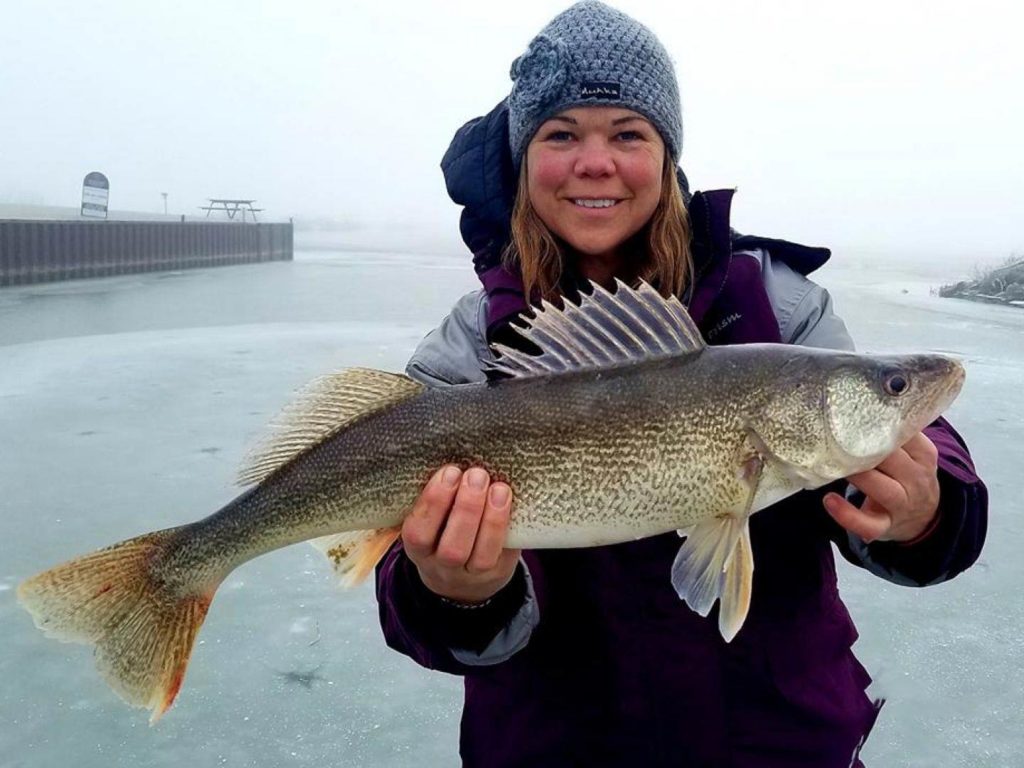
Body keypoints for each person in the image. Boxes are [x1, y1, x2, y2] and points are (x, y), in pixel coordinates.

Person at [375, 3, 988, 766]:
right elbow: (411, 605)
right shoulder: (470, 347)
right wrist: (455, 592)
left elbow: (924, 475)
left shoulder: (777, 307)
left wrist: (928, 510)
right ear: (522, 157)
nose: (595, 162)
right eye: (561, 134)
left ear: (667, 156)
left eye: (629, 134)